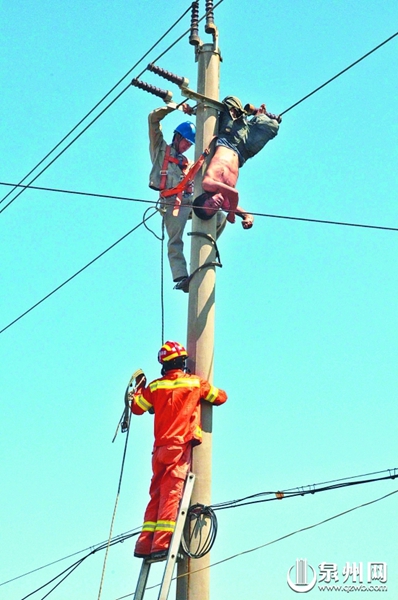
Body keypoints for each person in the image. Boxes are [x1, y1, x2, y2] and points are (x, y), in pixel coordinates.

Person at [130, 340, 227, 561]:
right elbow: (220, 397)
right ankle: (162, 544)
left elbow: (137, 408)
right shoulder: (194, 383)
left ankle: (144, 544)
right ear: (183, 362)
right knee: (171, 494)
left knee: (155, 494)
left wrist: (138, 389)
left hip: (159, 450)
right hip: (179, 446)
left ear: (163, 365)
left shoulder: (155, 387)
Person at [148, 105, 226, 291]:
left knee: (219, 217)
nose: (187, 147)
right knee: (175, 241)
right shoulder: (160, 150)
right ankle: (181, 277)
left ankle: (205, 249)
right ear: (177, 137)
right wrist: (173, 107)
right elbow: (153, 119)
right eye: (186, 142)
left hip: (190, 201)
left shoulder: (188, 163)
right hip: (171, 204)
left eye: (190, 144)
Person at [201, 95, 281, 224]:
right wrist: (248, 218)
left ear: (205, 197)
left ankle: (249, 115)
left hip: (228, 140)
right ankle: (259, 116)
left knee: (231, 101)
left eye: (210, 204)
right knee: (272, 126)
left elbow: (234, 193)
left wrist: (231, 213)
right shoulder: (227, 204)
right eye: (214, 209)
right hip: (244, 152)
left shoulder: (208, 184)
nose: (215, 205)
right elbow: (246, 214)